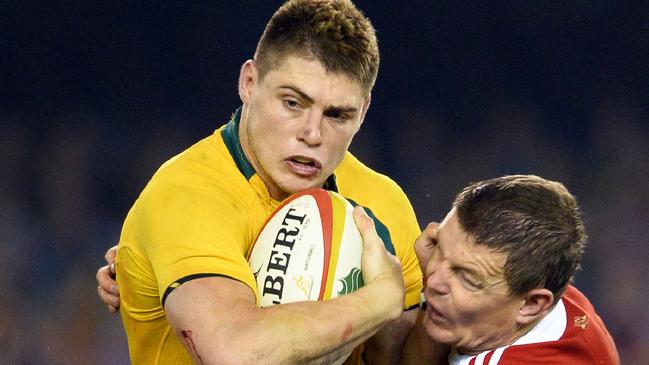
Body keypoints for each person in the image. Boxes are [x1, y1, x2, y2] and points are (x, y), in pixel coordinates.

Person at [96, 0, 423, 364]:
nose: (312, 134)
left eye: (337, 115)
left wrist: (444, 294)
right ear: (249, 83)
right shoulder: (186, 195)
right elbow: (235, 353)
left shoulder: (383, 203)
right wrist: (379, 300)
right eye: (293, 103)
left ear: (362, 113)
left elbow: (406, 358)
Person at [402, 175, 620, 365]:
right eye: (439, 248)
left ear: (531, 304)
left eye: (467, 278)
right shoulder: (566, 300)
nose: (432, 282)